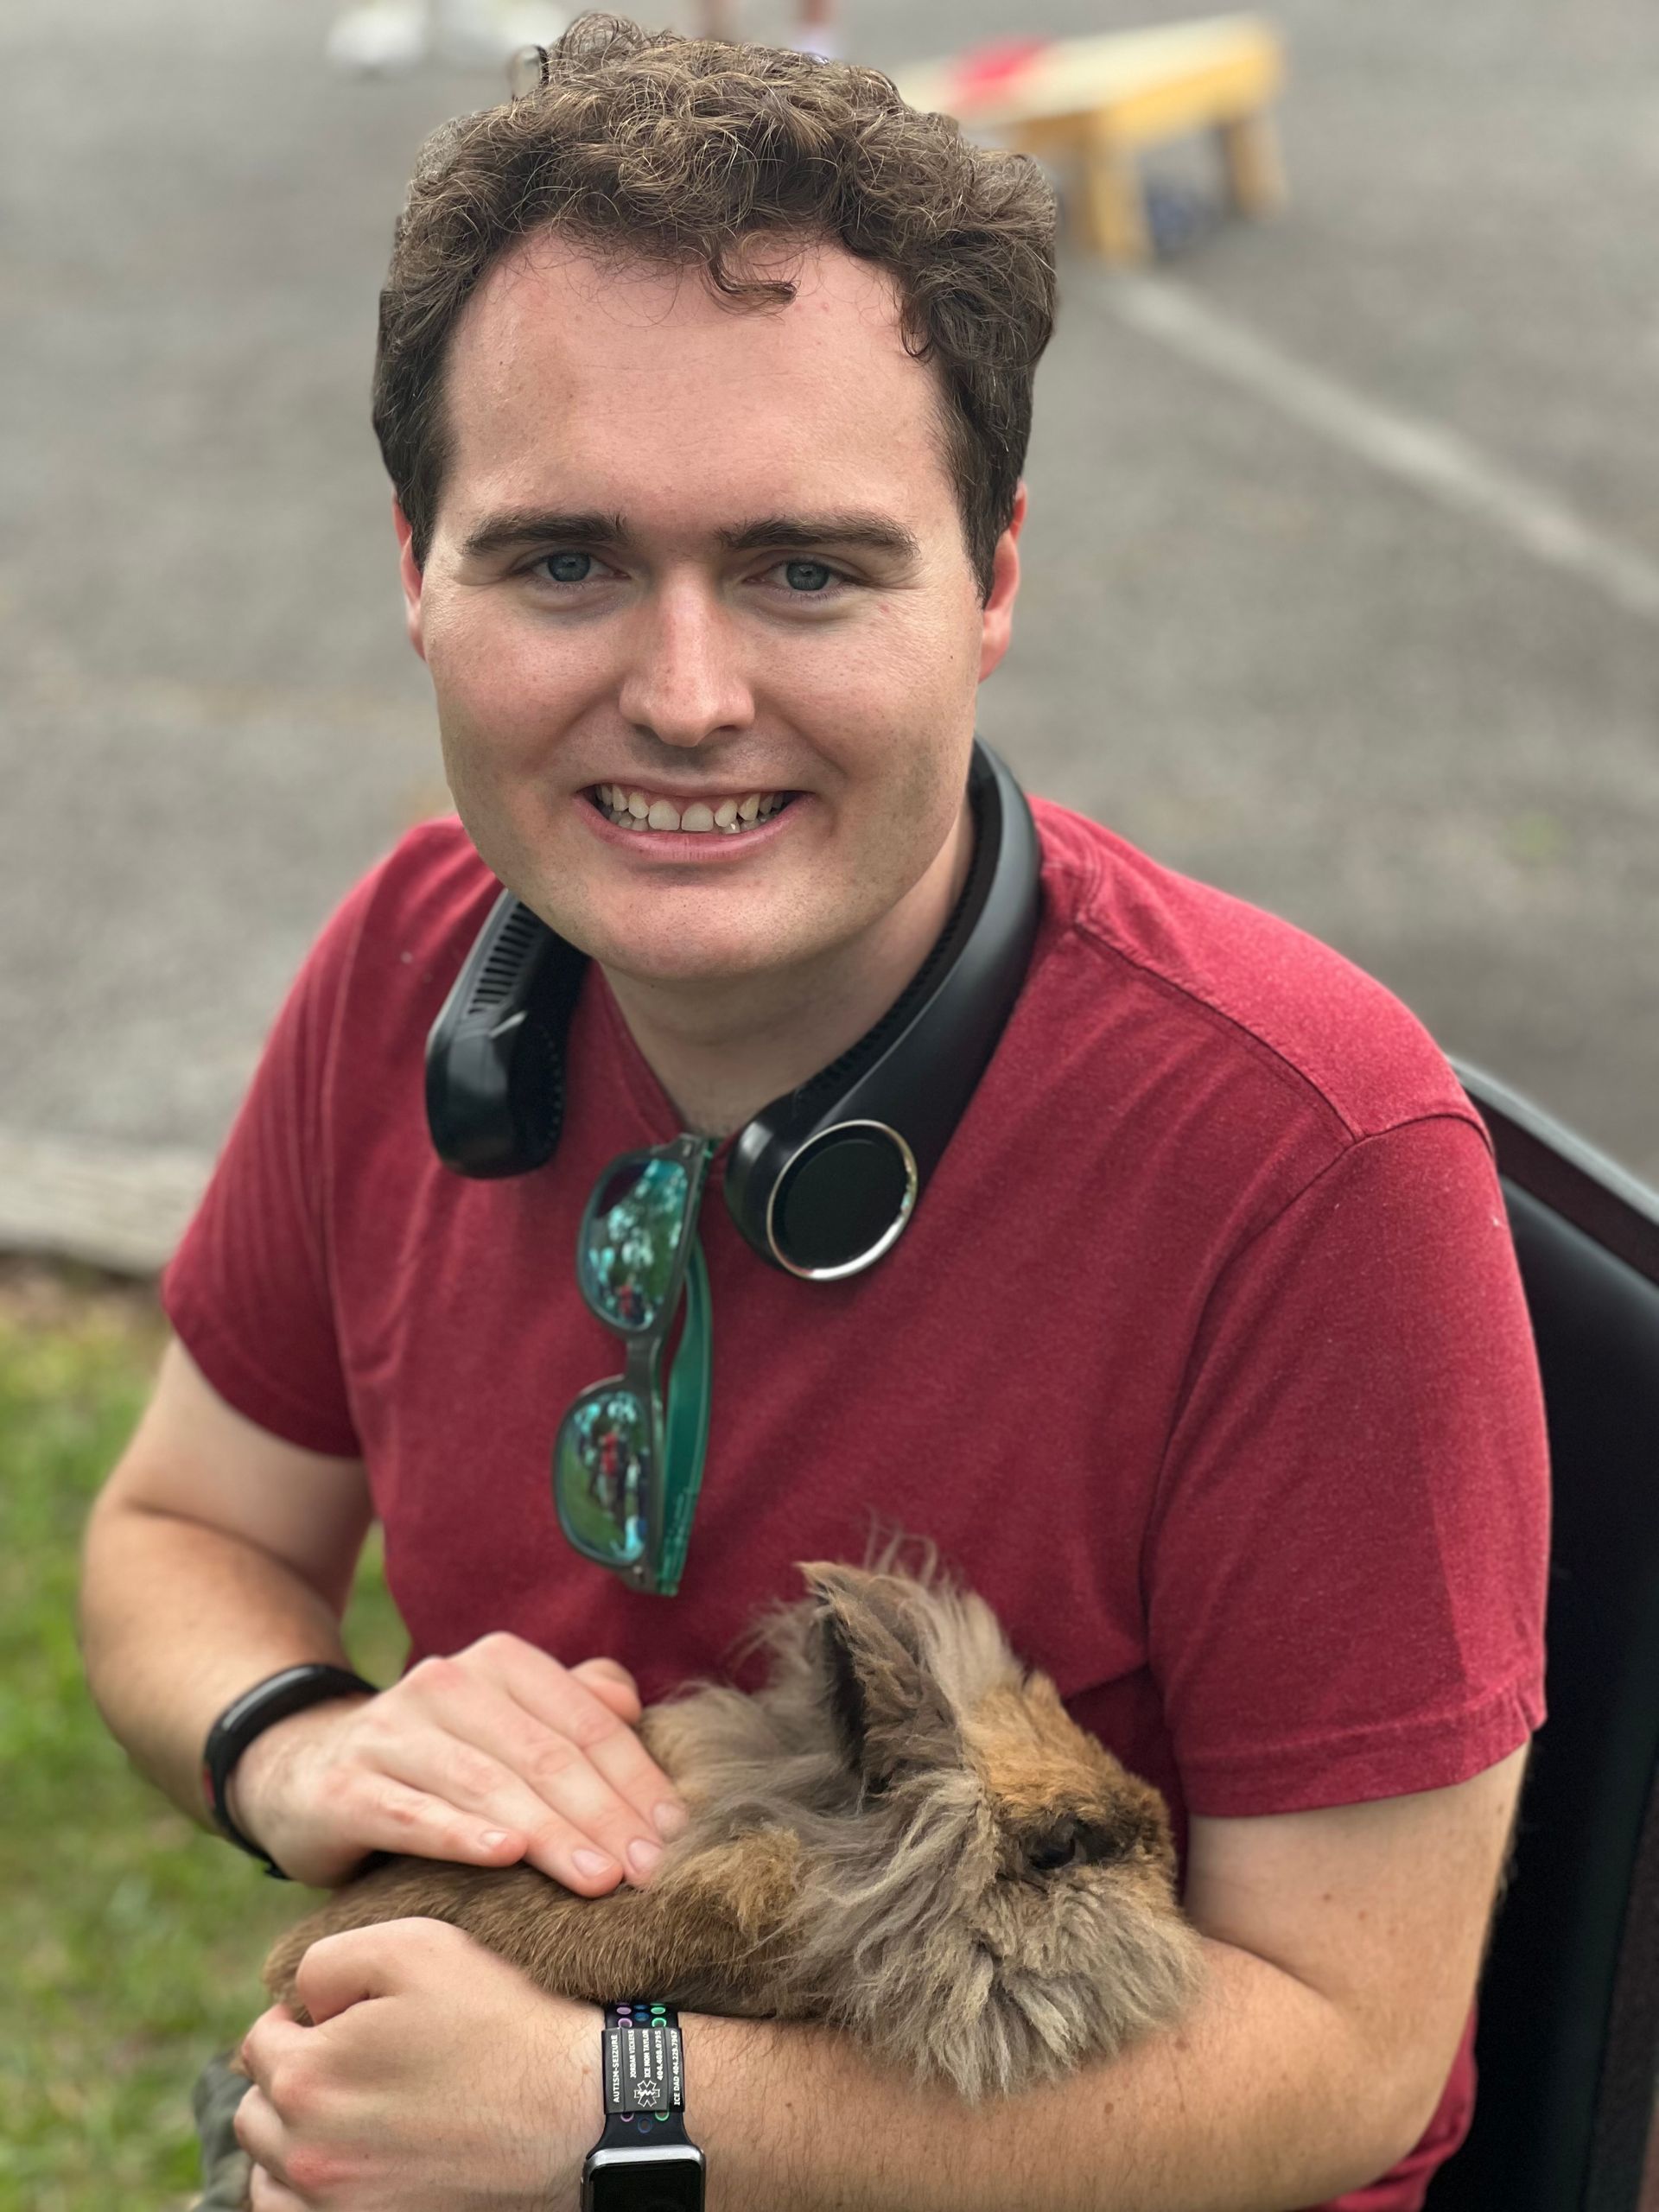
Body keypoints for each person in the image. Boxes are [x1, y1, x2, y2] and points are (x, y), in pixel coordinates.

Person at [79, 16, 1548, 2211]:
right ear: (416, 568)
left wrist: (617, 2111)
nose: (683, 694)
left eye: (806, 568)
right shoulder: (414, 954)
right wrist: (303, 1737)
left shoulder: (1313, 1165)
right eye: (562, 560)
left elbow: (1346, 2054)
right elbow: (180, 1535)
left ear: (997, 579)